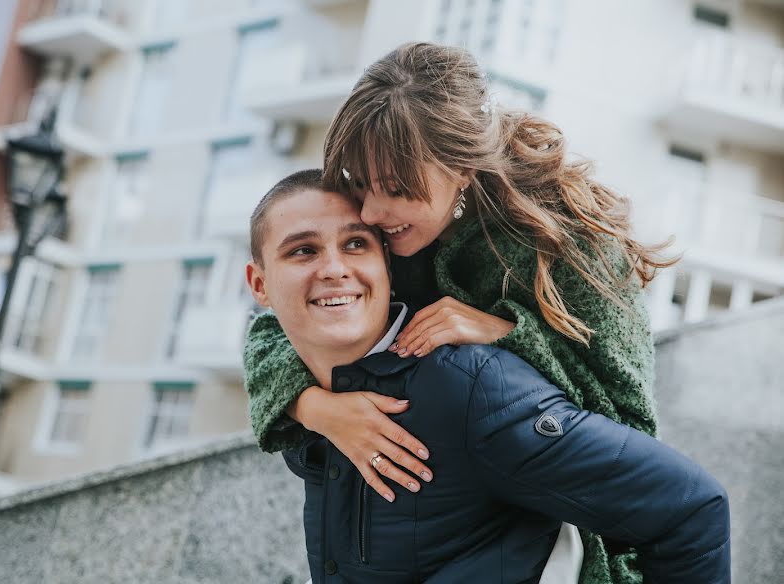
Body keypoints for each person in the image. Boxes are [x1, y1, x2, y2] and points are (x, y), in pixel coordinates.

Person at [244, 43, 675, 582]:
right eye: (361, 181)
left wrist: (511, 336)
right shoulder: (389, 228)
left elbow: (630, 434)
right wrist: (317, 410)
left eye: (398, 190)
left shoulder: (573, 248)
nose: (372, 214)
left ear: (463, 168)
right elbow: (274, 324)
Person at [244, 171, 730, 583]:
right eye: (303, 251)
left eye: (355, 244)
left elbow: (691, 509)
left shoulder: (468, 389)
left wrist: (509, 333)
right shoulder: (308, 391)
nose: (334, 269)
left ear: (388, 265)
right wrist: (310, 405)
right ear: (260, 285)